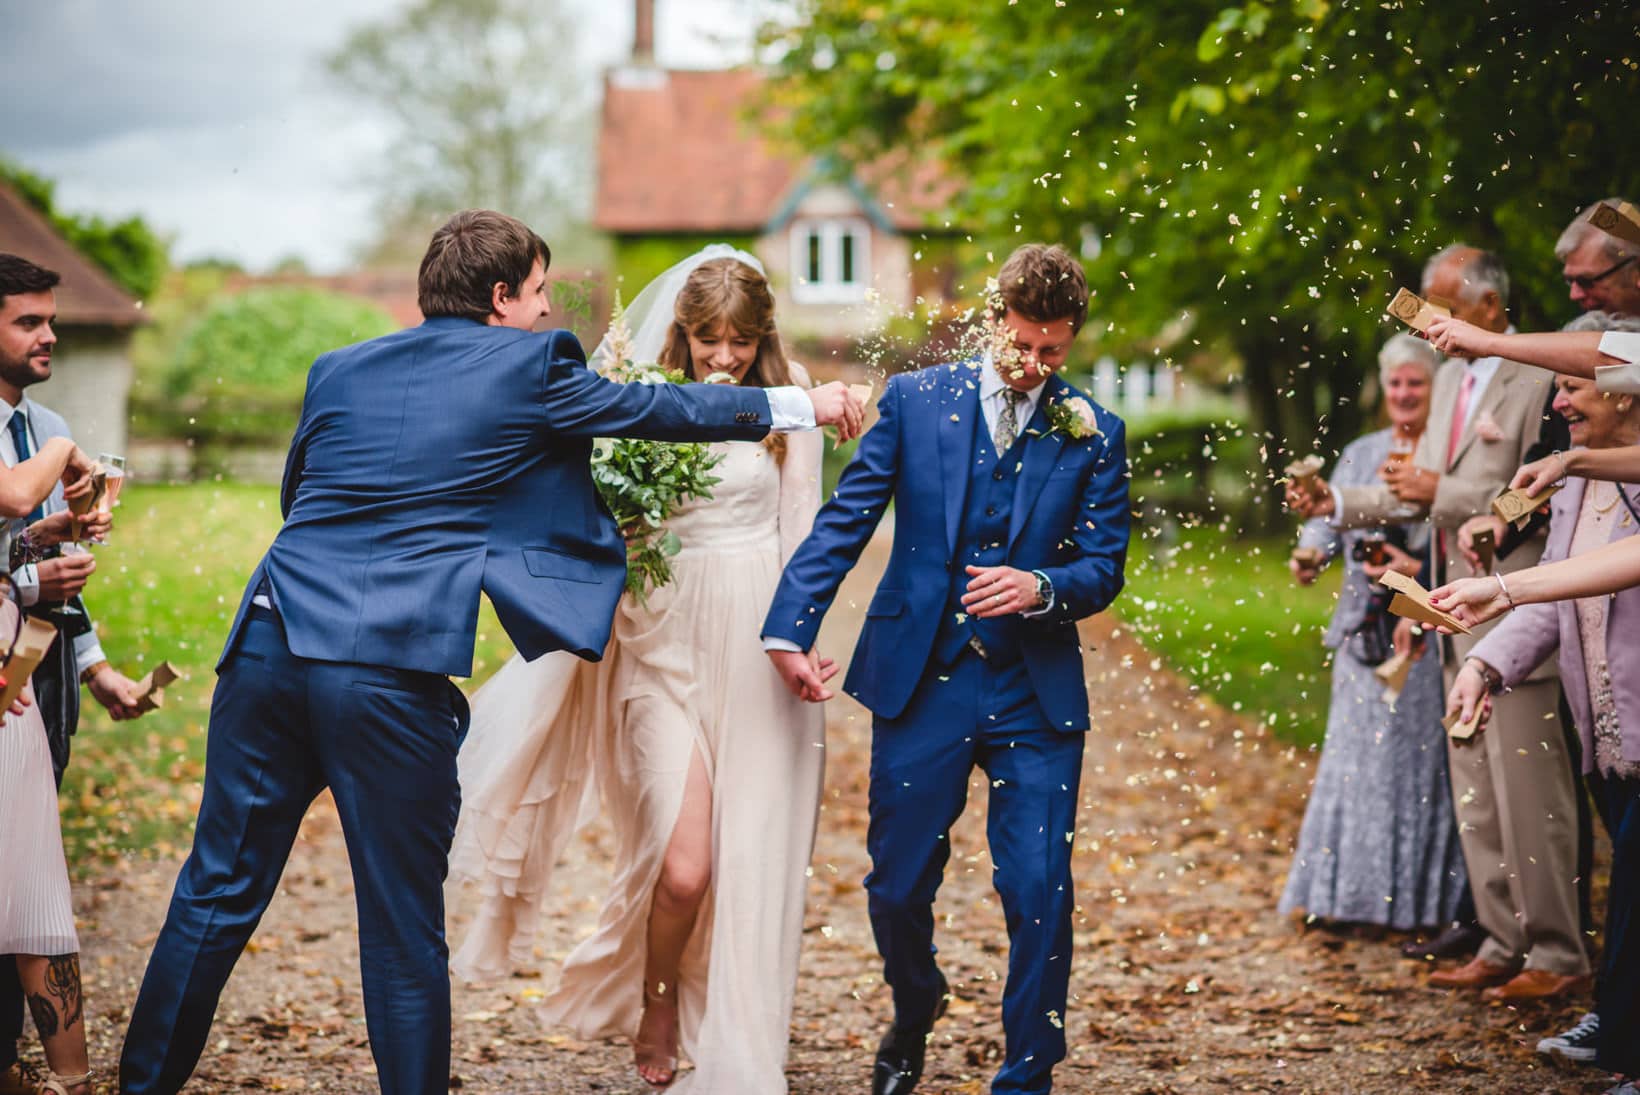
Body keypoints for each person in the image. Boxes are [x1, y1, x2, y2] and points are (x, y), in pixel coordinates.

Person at [116, 211, 865, 1095]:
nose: (551, 313)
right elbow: (652, 407)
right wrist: (796, 403)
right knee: (401, 924)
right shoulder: (531, 365)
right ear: (501, 298)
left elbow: (301, 498)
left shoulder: (340, 369)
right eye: (541, 292)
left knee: (214, 891)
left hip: (269, 645)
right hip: (385, 674)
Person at [449, 248, 827, 1092]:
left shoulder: (788, 396)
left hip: (756, 643)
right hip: (658, 643)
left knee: (752, 850)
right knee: (685, 862)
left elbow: (799, 526)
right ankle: (657, 1001)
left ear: (761, 338)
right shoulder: (638, 391)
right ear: (683, 334)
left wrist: (798, 634)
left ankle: (732, 1021)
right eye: (706, 341)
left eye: (738, 342)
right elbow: (592, 503)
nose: (722, 358)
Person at [762, 243, 1131, 1095]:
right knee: (895, 885)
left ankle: (1026, 1074)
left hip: (1032, 692)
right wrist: (791, 626)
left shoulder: (1095, 432)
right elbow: (846, 521)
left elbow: (1103, 568)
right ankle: (916, 998)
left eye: (1053, 351)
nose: (1035, 365)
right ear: (996, 318)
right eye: (1023, 344)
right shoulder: (918, 401)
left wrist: (1041, 584)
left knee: (1039, 884)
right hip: (921, 677)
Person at [1287, 245, 1587, 1000]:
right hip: (1450, 608)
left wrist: (1452, 495)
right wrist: (1340, 506)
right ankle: (1501, 936)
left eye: (1436, 301)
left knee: (1529, 790)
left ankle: (1556, 950)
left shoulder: (1542, 374)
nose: (1421, 315)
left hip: (1518, 604)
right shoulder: (1450, 374)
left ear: (1488, 307)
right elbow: (1414, 494)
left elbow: (1548, 484)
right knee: (1477, 790)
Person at [1444, 358, 1640, 1081]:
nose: (1556, 401)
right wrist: (1485, 664)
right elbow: (1554, 599)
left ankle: (1627, 1044)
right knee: (1628, 884)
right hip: (1607, 727)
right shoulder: (1579, 482)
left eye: (1572, 386)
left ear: (1625, 390)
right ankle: (1619, 1018)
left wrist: (1502, 585)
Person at [1278, 334, 1466, 933]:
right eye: (1396, 384)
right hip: (1364, 632)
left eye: (1416, 382)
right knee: (1355, 765)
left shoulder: (1449, 455)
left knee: (1417, 770)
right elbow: (1324, 525)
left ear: (1436, 388)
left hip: (1428, 634)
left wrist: (1414, 571)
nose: (1405, 393)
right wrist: (1307, 556)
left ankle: (1419, 908)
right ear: (1383, 390)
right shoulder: (1362, 452)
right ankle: (1348, 899)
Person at [0, 257, 99, 1095]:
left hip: (18, 669)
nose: (50, 335)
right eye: (28, 320)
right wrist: (64, 449)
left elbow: (10, 533)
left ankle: (62, 1077)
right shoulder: (43, 434)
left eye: (50, 320)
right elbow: (8, 494)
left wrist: (47, 538)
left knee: (30, 872)